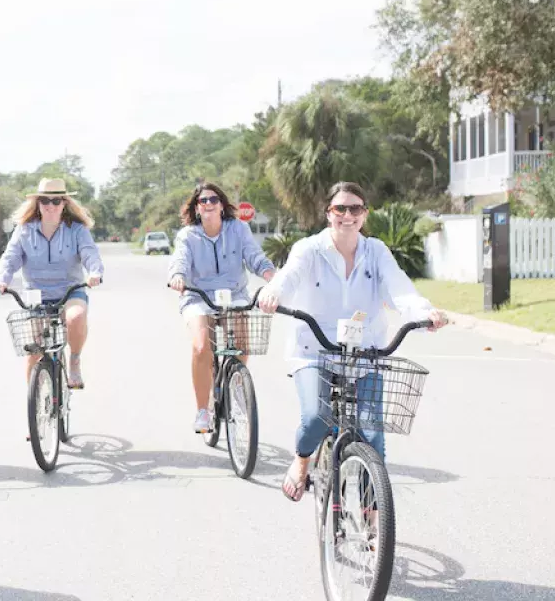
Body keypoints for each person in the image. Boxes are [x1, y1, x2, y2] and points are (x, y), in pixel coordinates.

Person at [257, 181, 447, 502]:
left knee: (374, 437)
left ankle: (374, 521)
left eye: (355, 208)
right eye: (340, 208)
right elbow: (289, 276)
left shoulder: (376, 251)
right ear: (328, 213)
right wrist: (273, 292)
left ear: (365, 214)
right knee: (317, 417)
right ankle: (302, 460)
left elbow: (399, 288)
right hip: (314, 351)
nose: (348, 215)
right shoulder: (309, 249)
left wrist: (424, 313)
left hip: (366, 353)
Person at [166, 182, 276, 434]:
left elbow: (254, 255)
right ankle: (203, 410)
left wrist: (269, 272)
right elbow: (179, 260)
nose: (208, 204)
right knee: (202, 346)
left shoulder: (238, 229)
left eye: (213, 200)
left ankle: (236, 383)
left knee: (242, 344)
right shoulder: (187, 235)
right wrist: (178, 276)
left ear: (221, 205)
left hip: (234, 294)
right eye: (203, 201)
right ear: (196, 207)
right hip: (197, 296)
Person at [0, 177, 104, 388]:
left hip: (70, 290)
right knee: (35, 349)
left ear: (64, 204)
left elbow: (90, 253)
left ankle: (75, 361)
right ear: (38, 204)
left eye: (56, 201)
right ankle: (35, 403)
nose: (50, 206)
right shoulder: (24, 230)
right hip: (37, 294)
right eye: (45, 201)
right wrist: (1, 280)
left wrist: (95, 272)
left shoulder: (77, 229)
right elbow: (10, 258)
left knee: (76, 317)